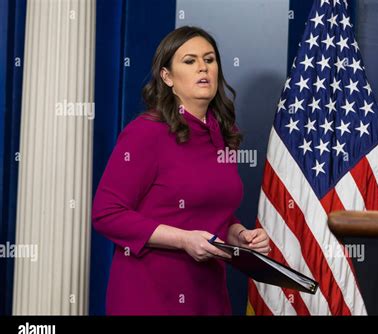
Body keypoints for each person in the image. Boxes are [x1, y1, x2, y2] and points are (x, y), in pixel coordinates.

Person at [91, 26, 270, 315]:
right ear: (167, 77)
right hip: (151, 293)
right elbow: (106, 214)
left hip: (208, 292)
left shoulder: (224, 134)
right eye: (190, 61)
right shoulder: (145, 133)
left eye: (209, 60)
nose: (203, 67)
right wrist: (183, 239)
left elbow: (207, 208)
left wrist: (236, 233)